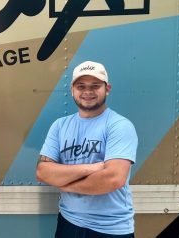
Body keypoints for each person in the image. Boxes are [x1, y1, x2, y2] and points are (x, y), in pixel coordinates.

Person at [36, 61, 138, 237]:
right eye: (81, 86)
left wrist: (65, 184)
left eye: (95, 86)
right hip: (68, 223)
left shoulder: (119, 125)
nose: (87, 92)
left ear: (107, 88)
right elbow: (43, 172)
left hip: (110, 229)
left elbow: (113, 179)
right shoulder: (60, 126)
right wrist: (93, 168)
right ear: (72, 90)